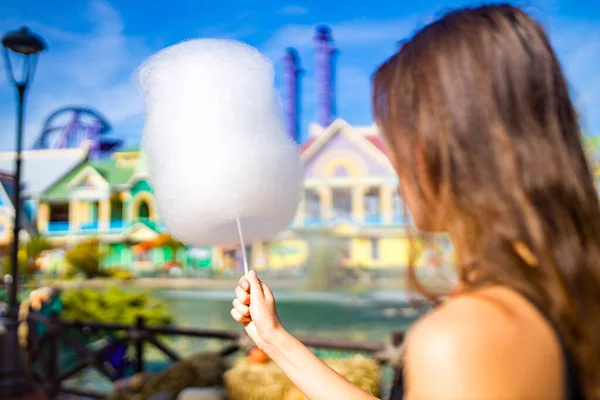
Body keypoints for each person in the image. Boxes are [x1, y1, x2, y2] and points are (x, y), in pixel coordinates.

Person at [231, 4, 600, 399]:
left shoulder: (467, 336)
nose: (395, 163)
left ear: (441, 149)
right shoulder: (558, 290)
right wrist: (273, 340)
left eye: (397, 138)